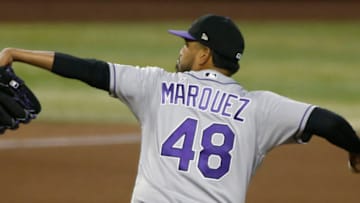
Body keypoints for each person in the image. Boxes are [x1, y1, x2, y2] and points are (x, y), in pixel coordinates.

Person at [0, 14, 359, 202]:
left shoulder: (156, 85)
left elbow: (91, 70)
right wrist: (356, 152)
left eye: (187, 43)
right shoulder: (259, 108)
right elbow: (325, 121)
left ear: (203, 54)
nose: (182, 48)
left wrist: (18, 53)